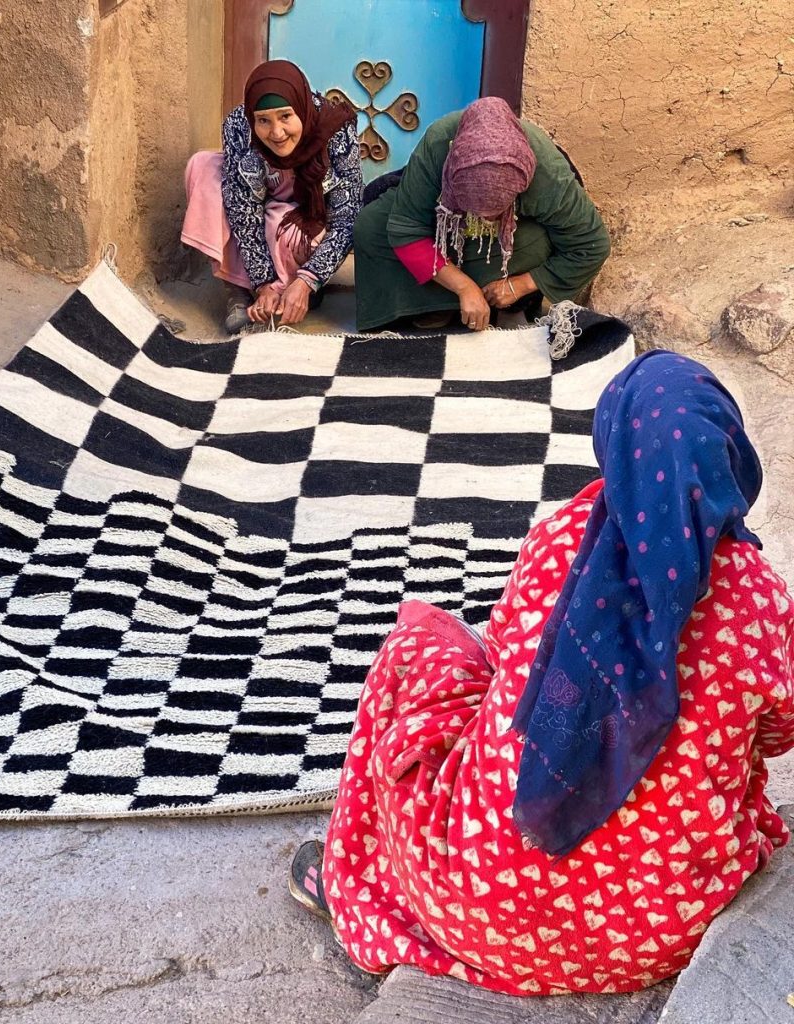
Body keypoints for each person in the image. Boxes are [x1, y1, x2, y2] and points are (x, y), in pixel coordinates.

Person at [289, 351, 794, 995]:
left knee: (416, 649)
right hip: (660, 932)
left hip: (475, 905)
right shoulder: (761, 600)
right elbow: (778, 733)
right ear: (729, 460)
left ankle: (354, 869)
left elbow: (501, 659)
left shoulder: (560, 543)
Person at [353, 97, 611, 333]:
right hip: (441, 227)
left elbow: (591, 245)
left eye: (494, 213)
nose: (482, 220)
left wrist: (520, 285)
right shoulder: (438, 144)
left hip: (512, 240)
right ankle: (440, 303)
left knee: (542, 241)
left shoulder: (547, 173)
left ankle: (508, 304)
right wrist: (463, 286)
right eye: (472, 210)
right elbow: (405, 227)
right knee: (371, 225)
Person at [181, 60, 362, 334]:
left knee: (279, 221)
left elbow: (347, 217)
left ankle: (295, 290)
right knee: (204, 167)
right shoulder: (238, 126)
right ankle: (240, 292)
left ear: (300, 108)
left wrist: (308, 280)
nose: (276, 133)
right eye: (263, 121)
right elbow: (242, 206)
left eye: (286, 117)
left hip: (306, 216)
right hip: (262, 201)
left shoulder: (335, 128)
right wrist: (262, 282)